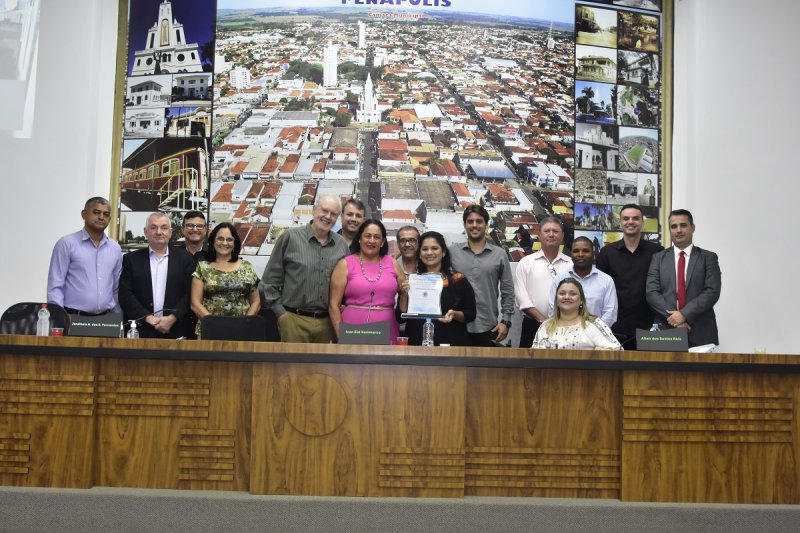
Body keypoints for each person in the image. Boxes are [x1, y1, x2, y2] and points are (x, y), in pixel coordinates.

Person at [262, 194, 350, 343]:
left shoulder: (341, 245)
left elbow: (347, 283)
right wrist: (281, 314)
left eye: (333, 214)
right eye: (324, 210)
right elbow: (270, 280)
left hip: (328, 323)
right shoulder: (290, 237)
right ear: (314, 210)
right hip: (293, 320)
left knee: (325, 360)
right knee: (292, 360)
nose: (328, 216)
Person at [646, 209, 721, 347]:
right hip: (666, 330)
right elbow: (652, 292)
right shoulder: (658, 258)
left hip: (701, 331)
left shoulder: (708, 258)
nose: (678, 230)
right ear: (669, 230)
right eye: (674, 226)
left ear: (692, 227)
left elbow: (712, 291)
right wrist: (675, 318)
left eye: (683, 225)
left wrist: (684, 314)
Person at [596, 204, 664, 348]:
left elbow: (663, 287)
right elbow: (600, 291)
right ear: (620, 223)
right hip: (614, 327)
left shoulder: (657, 252)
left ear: (642, 222)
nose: (630, 222)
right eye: (626, 219)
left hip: (649, 327)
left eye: (635, 218)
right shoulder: (607, 252)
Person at [329, 219, 407, 344]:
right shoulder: (344, 264)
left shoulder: (393, 263)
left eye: (377, 237)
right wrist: (341, 336)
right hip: (352, 330)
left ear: (382, 242)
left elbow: (404, 294)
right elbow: (333, 305)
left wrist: (406, 292)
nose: (372, 240)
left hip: (387, 329)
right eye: (367, 236)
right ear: (359, 238)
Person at [119, 212, 195, 338]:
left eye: (164, 228)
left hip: (175, 329)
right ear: (146, 231)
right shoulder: (131, 259)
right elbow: (125, 293)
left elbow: (189, 294)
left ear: (170, 232)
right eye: (153, 227)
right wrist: (148, 318)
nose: (159, 232)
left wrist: (172, 318)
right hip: (140, 330)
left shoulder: (185, 259)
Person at [448, 205, 515, 346]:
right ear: (464, 224)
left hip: (487, 325)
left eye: (479, 221)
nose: (474, 225)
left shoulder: (499, 254)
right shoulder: (452, 252)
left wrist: (506, 321)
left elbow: (507, 290)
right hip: (456, 323)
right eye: (470, 221)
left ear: (486, 225)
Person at [399, 231, 476, 346]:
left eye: (434, 248)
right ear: (419, 254)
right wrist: (404, 295)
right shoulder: (413, 282)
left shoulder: (457, 280)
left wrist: (455, 314)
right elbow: (400, 318)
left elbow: (471, 314)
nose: (429, 253)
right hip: (417, 345)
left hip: (451, 344)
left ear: (443, 252)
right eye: (424, 249)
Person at [47, 197, 122, 315]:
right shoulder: (67, 243)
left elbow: (116, 287)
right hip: (73, 316)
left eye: (106, 214)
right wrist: (59, 317)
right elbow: (55, 285)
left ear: (110, 219)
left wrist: (118, 317)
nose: (101, 217)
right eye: (96, 212)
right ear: (84, 214)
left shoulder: (115, 248)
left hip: (106, 318)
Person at [190, 222, 260, 338]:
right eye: (220, 239)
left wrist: (245, 324)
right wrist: (217, 326)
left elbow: (256, 302)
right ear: (213, 241)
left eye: (229, 239)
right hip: (211, 331)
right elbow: (195, 304)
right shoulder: (202, 267)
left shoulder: (247, 267)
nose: (224, 243)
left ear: (235, 243)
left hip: (242, 331)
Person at [513, 217, 572, 347]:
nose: (551, 234)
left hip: (565, 326)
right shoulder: (526, 262)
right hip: (532, 325)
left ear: (562, 236)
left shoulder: (571, 264)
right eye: (547, 231)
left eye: (555, 231)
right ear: (539, 235)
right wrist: (543, 321)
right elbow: (521, 297)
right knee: (529, 360)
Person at [532, 278, 621, 350]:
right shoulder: (545, 326)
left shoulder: (593, 324)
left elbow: (617, 350)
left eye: (573, 294)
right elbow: (535, 357)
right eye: (562, 293)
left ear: (581, 300)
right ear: (556, 299)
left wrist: (599, 353)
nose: (567, 297)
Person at [548, 237, 617, 327]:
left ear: (593, 253)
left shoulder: (606, 280)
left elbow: (610, 314)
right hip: (564, 332)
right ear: (571, 254)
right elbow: (553, 310)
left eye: (585, 251)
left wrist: (592, 331)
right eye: (576, 251)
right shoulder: (559, 279)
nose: (580, 254)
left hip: (596, 333)